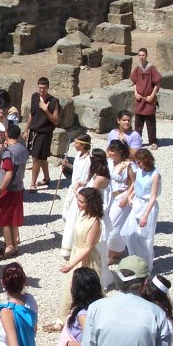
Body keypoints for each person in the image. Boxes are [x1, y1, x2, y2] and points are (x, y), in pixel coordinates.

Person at [57, 188, 105, 328]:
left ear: (90, 203)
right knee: (69, 288)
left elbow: (88, 247)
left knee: (86, 289)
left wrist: (72, 264)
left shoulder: (94, 221)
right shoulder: (83, 213)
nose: (78, 203)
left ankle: (90, 319)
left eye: (81, 201)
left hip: (86, 258)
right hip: (76, 252)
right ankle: (65, 320)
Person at [61, 145, 109, 260]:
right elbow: (89, 184)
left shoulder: (100, 178)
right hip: (88, 204)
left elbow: (92, 195)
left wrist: (77, 194)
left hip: (92, 207)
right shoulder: (96, 175)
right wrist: (81, 184)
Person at [0, 123, 29, 260]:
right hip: (19, 187)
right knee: (13, 218)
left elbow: (8, 174)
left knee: (3, 219)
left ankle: (9, 246)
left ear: (7, 135)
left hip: (8, 189)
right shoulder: (22, 149)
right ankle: (15, 244)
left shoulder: (9, 153)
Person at [123, 148, 161, 273]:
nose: (137, 165)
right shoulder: (139, 170)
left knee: (144, 238)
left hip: (148, 206)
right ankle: (134, 260)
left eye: (139, 162)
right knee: (129, 233)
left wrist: (145, 216)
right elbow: (136, 185)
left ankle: (146, 266)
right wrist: (130, 196)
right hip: (137, 203)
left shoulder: (155, 175)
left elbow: (153, 197)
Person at [58, 134, 93, 255]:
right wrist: (67, 166)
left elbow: (88, 177)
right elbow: (77, 170)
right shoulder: (78, 155)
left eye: (77, 143)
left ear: (83, 145)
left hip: (80, 191)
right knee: (66, 214)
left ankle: (71, 245)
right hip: (72, 188)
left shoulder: (89, 160)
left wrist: (81, 188)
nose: (74, 145)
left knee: (73, 218)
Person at [25, 77, 60, 189]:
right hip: (33, 131)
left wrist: (46, 110)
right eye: (40, 88)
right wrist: (26, 129)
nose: (41, 90)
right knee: (42, 158)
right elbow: (32, 113)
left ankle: (32, 184)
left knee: (35, 158)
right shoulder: (34, 97)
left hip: (44, 133)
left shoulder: (54, 101)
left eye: (44, 88)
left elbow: (55, 120)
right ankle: (47, 178)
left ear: (48, 87)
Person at [106, 140, 134, 265]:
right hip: (110, 197)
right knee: (107, 224)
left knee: (114, 225)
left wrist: (127, 196)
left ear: (120, 152)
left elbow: (134, 182)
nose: (110, 153)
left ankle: (116, 254)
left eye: (113, 151)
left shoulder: (127, 165)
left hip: (122, 196)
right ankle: (108, 252)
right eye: (110, 150)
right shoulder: (109, 163)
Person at [131, 48, 161, 149]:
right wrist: (135, 93)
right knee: (138, 123)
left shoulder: (151, 68)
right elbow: (134, 82)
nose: (141, 57)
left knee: (150, 123)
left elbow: (157, 83)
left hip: (148, 100)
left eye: (143, 55)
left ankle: (153, 141)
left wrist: (152, 95)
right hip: (140, 99)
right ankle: (137, 142)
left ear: (146, 56)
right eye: (139, 55)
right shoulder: (137, 69)